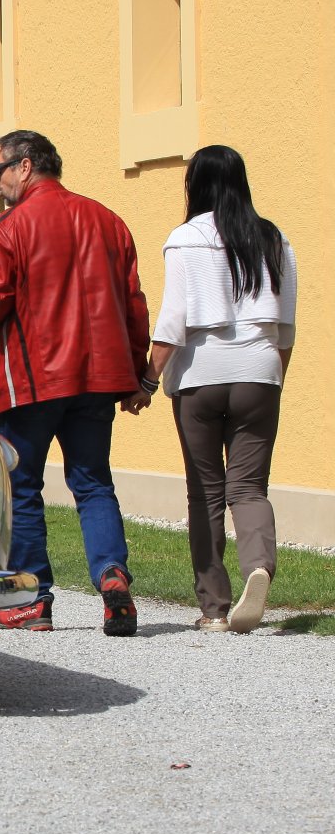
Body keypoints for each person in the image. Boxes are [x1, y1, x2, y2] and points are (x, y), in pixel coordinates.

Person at [0, 130, 150, 637]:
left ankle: (33, 600)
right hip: (97, 377)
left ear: (24, 166)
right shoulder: (108, 221)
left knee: (22, 485)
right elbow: (133, 304)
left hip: (32, 380)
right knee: (93, 483)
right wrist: (138, 374)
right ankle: (112, 576)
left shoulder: (6, 227)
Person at [131, 146, 297, 634]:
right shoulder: (274, 238)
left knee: (204, 493)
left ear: (196, 185)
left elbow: (173, 321)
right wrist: (274, 376)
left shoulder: (185, 239)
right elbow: (286, 326)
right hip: (259, 371)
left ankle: (215, 608)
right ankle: (259, 566)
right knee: (249, 487)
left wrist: (147, 380)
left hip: (199, 377)